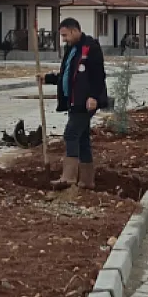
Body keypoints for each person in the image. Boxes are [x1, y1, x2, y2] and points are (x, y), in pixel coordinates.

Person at [39, 18, 107, 189]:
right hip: (73, 101)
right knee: (82, 139)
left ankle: (68, 178)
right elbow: (67, 75)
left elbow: (99, 76)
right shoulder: (71, 49)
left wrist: (94, 97)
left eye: (65, 35)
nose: (64, 39)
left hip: (85, 103)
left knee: (70, 134)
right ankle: (86, 181)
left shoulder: (91, 47)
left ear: (75, 30)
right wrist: (48, 78)